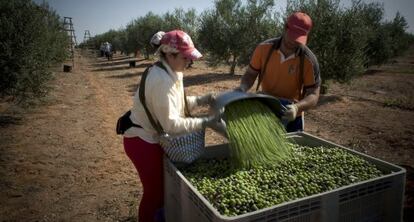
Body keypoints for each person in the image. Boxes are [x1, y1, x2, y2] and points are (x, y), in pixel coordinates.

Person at [123, 29, 220, 222]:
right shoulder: (160, 80)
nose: (189, 62)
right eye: (185, 58)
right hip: (141, 141)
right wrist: (205, 122)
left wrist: (202, 100)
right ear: (169, 54)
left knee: (162, 189)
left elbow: (178, 103)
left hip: (153, 138)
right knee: (155, 193)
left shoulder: (173, 71)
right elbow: (171, 125)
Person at [236, 12, 321, 132]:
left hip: (292, 116)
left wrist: (296, 108)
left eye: (298, 38)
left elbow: (313, 94)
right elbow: (250, 74)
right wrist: (243, 87)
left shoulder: (309, 60)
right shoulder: (263, 49)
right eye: (292, 36)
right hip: (265, 110)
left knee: (291, 149)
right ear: (285, 27)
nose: (294, 41)